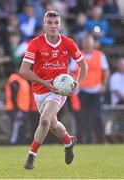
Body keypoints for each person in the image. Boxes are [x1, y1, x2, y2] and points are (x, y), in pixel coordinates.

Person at [20, 11, 87, 170]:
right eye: (49, 23)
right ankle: (69, 141)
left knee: (44, 120)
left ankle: (31, 155)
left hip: (59, 90)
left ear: (60, 25)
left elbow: (83, 65)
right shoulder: (35, 43)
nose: (53, 26)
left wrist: (78, 83)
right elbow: (23, 70)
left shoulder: (68, 43)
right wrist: (45, 83)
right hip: (40, 90)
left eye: (56, 23)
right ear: (44, 25)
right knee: (52, 124)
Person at [77, 34, 109, 143]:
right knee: (84, 117)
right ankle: (87, 141)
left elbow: (106, 71)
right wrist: (76, 84)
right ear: (82, 43)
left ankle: (101, 140)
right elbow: (71, 71)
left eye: (89, 42)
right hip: (83, 91)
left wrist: (104, 84)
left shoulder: (100, 55)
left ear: (93, 43)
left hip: (96, 91)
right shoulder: (78, 55)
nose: (87, 44)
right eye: (85, 42)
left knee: (97, 116)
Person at [5, 67, 31, 145]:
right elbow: (13, 96)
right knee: (16, 127)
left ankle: (20, 143)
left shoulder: (22, 79)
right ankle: (13, 143)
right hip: (16, 109)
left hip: (23, 109)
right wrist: (17, 110)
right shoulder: (14, 79)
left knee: (21, 128)